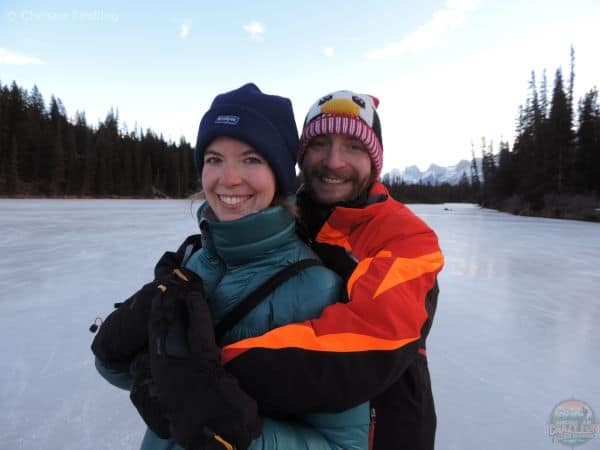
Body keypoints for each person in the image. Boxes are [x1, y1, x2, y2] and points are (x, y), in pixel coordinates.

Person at [91, 83, 370, 450]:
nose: (229, 178)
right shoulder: (191, 260)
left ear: (280, 174)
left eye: (251, 159)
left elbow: (344, 445)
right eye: (214, 158)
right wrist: (133, 363)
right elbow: (154, 387)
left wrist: (239, 437)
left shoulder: (317, 290)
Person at [218, 89, 445, 450]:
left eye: (354, 146)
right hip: (282, 429)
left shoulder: (407, 238)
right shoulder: (282, 217)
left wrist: (209, 370)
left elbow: (376, 338)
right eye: (320, 143)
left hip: (384, 433)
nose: (334, 162)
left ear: (375, 160)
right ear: (301, 154)